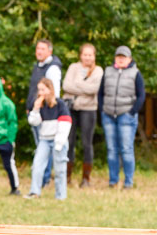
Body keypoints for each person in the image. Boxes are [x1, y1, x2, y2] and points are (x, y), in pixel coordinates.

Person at [98, 45, 145, 189]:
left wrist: (132, 112)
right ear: (115, 58)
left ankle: (128, 181)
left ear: (129, 59)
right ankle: (113, 180)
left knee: (126, 149)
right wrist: (102, 109)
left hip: (126, 115)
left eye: (123, 57)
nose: (120, 59)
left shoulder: (136, 73)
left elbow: (141, 95)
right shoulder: (107, 71)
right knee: (112, 149)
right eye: (118, 56)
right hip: (108, 115)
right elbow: (100, 93)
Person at [62, 44, 103, 187]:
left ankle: (86, 178)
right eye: (85, 54)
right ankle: (66, 176)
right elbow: (66, 86)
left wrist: (77, 85)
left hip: (89, 109)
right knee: (69, 141)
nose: (87, 57)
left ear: (94, 56)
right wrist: (83, 89)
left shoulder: (98, 71)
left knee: (87, 143)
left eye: (90, 55)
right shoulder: (73, 67)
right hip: (71, 108)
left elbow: (94, 89)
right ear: (80, 55)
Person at [25, 78, 72, 200]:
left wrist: (59, 143)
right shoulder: (41, 105)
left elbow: (66, 122)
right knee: (37, 165)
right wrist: (35, 109)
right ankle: (34, 192)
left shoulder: (60, 104)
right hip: (44, 140)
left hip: (58, 140)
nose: (41, 93)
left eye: (43, 89)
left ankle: (60, 196)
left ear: (50, 89)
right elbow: (33, 122)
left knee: (60, 169)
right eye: (39, 90)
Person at [26, 39, 62, 187]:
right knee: (39, 145)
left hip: (44, 113)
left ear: (50, 51)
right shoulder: (38, 66)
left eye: (42, 49)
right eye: (37, 48)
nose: (39, 51)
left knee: (44, 147)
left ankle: (45, 179)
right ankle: (42, 178)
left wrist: (41, 108)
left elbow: (53, 93)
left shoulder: (53, 68)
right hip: (34, 111)